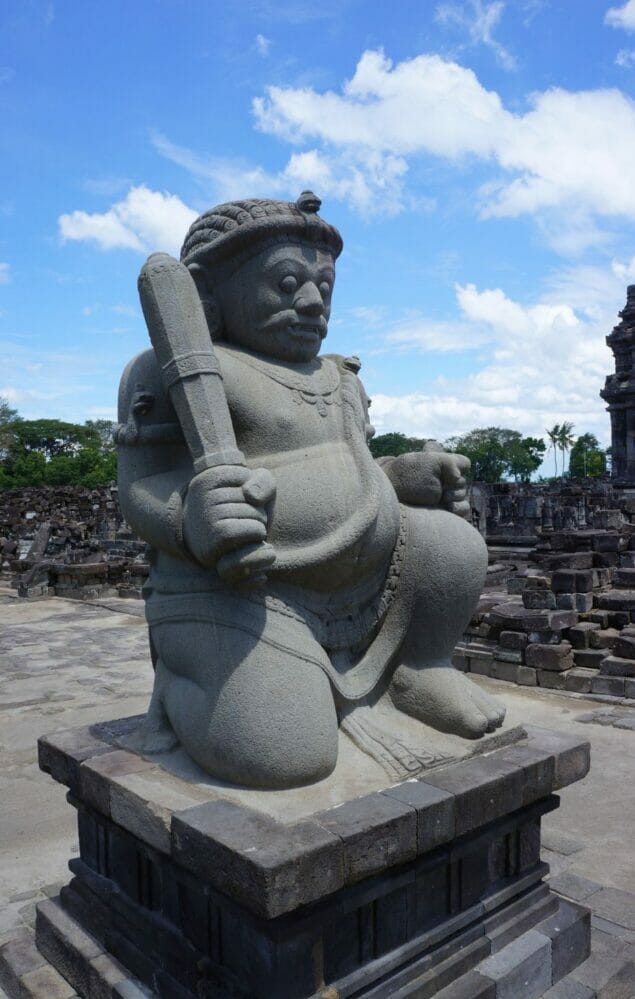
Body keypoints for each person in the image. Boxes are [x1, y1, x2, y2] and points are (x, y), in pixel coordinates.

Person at [116, 193, 504, 788]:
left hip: (374, 587)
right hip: (241, 591)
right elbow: (142, 485)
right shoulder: (172, 369)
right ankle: (183, 684)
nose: (312, 300)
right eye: (287, 281)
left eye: (324, 285)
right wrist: (189, 518)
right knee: (285, 757)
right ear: (205, 292)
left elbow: (353, 464)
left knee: (451, 542)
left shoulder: (342, 378)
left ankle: (420, 668)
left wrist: (402, 476)